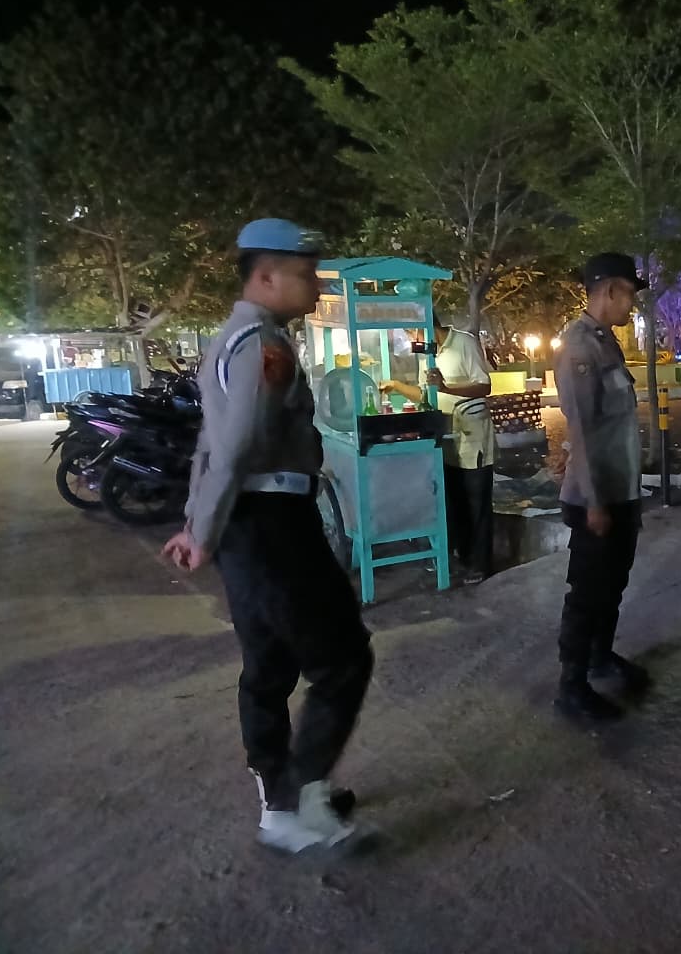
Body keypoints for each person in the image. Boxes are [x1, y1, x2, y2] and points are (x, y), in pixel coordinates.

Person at [162, 219, 373, 855]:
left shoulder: (235, 338)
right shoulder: (262, 347)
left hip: (247, 524)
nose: (316, 285)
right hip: (272, 524)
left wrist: (201, 523)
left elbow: (211, 445)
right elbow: (233, 448)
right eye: (306, 274)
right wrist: (202, 530)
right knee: (343, 660)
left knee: (270, 663)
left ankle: (281, 799)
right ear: (265, 277)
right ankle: (300, 800)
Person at [553, 252, 649, 721]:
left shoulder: (605, 342)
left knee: (613, 583)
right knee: (587, 592)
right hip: (595, 497)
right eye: (629, 293)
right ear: (610, 289)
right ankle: (571, 686)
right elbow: (582, 432)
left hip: (619, 491)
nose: (632, 303)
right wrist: (594, 503)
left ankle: (600, 656)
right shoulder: (579, 347)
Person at [381, 312, 497, 581]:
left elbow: (484, 386)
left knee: (476, 502)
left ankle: (481, 565)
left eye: (412, 332)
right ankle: (462, 557)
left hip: (472, 437)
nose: (411, 339)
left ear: (428, 325)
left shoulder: (464, 343)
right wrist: (396, 385)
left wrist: (446, 387)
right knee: (455, 501)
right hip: (446, 438)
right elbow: (426, 394)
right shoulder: (428, 354)